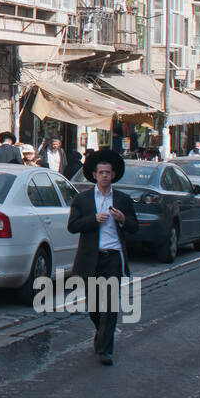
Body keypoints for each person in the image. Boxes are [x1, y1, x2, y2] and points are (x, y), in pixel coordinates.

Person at [66, 149, 138, 366]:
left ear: (113, 175)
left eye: (108, 172)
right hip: (90, 258)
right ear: (95, 175)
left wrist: (123, 218)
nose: (105, 176)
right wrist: (93, 219)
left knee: (109, 305)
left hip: (113, 257)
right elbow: (72, 226)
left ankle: (105, 350)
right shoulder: (83, 199)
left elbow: (134, 227)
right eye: (101, 172)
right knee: (95, 306)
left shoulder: (123, 199)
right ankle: (101, 332)